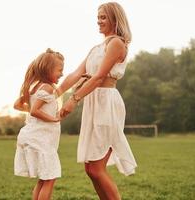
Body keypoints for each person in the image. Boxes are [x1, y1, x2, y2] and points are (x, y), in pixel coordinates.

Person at [57, 2, 137, 199]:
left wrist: (73, 99)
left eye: (103, 17)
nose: (99, 21)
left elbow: (100, 76)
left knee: (97, 168)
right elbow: (76, 74)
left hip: (106, 103)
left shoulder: (116, 43)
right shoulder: (96, 48)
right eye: (98, 17)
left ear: (114, 19)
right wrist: (56, 93)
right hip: (92, 102)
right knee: (90, 169)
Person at [13, 48, 64, 200]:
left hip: (34, 137)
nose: (62, 73)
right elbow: (35, 111)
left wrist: (32, 109)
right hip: (41, 140)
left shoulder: (33, 87)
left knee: (44, 178)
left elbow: (17, 105)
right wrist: (52, 118)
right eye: (59, 70)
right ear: (48, 69)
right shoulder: (47, 87)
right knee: (50, 178)